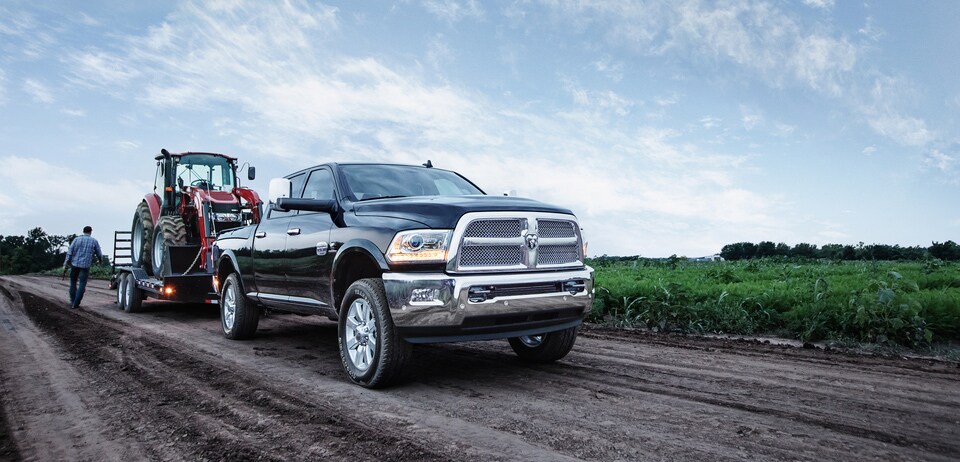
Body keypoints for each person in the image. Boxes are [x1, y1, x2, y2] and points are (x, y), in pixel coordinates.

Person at [63, 225, 103, 309]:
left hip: (75, 264)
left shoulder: (76, 239)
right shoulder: (94, 241)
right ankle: (76, 303)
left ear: (83, 231)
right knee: (82, 284)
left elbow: (69, 252)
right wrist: (100, 261)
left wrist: (66, 263)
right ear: (91, 232)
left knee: (73, 283)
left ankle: (72, 301)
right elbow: (99, 253)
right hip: (85, 266)